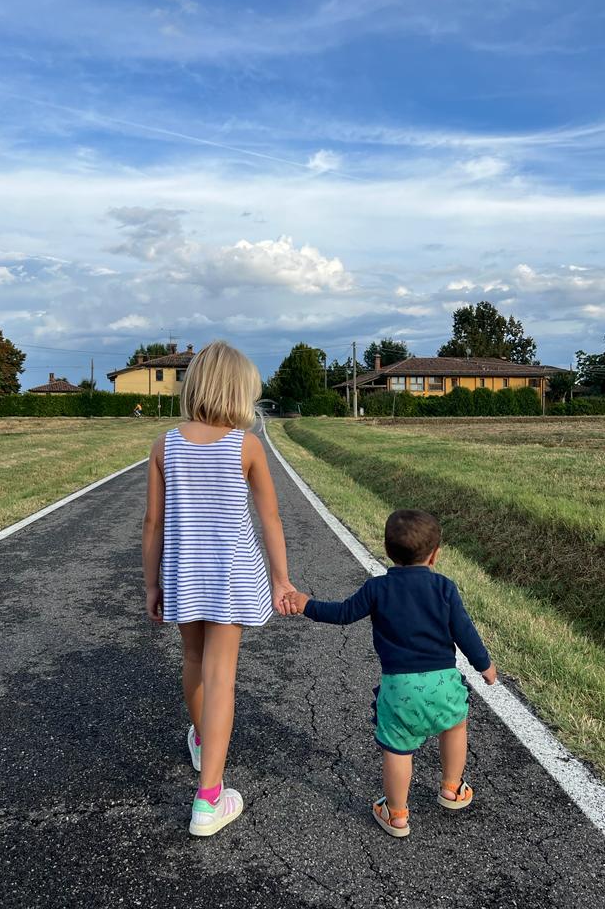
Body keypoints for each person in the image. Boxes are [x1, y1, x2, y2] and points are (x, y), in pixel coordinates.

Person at [142, 340, 292, 837]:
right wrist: (281, 579)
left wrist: (151, 584)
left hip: (183, 574)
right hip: (230, 576)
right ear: (239, 391)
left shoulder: (164, 445)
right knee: (221, 675)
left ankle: (204, 740)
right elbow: (270, 517)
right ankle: (208, 798)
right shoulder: (245, 445)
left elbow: (152, 524)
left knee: (193, 660)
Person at [284, 509, 496, 838]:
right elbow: (464, 632)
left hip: (400, 688)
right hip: (443, 682)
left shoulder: (377, 589)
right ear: (435, 555)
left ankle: (396, 814)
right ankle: (452, 788)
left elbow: (343, 613)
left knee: (398, 749)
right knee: (455, 726)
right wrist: (485, 665)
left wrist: (306, 604)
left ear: (387, 550)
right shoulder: (444, 587)